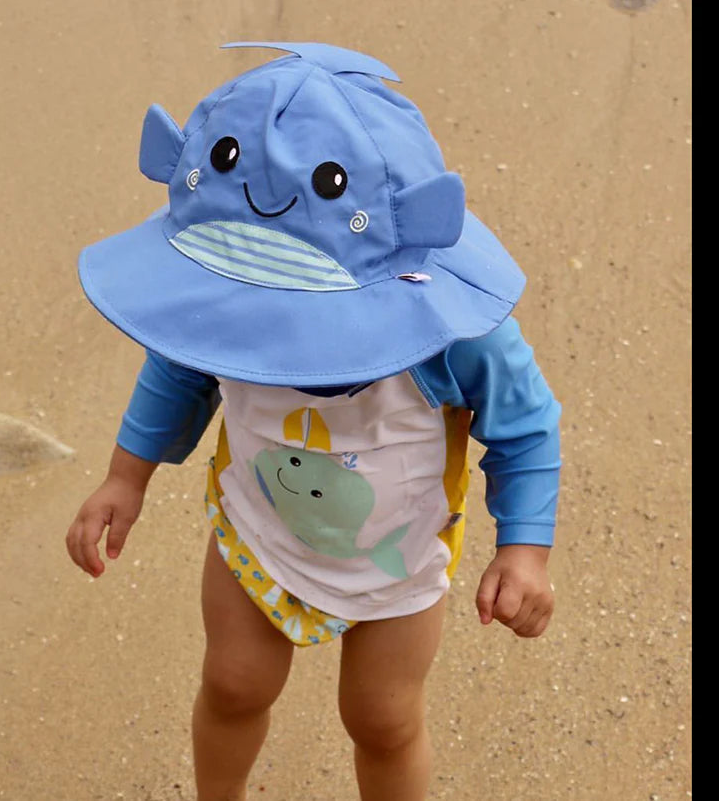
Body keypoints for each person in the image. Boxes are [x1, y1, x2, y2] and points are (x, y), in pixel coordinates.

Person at [66, 42, 561, 801]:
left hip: (396, 559)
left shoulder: (452, 331)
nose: (277, 342)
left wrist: (525, 551)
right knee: (233, 684)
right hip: (256, 535)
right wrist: (124, 475)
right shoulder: (219, 306)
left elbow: (525, 428)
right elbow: (179, 363)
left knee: (383, 719)